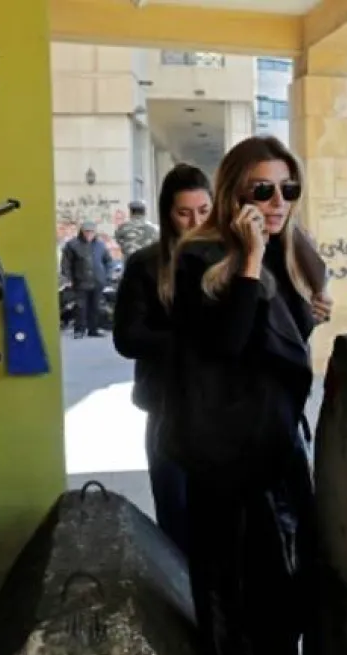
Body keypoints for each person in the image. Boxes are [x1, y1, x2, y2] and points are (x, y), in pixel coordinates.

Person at [163, 135, 332, 655]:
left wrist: (304, 308)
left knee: (280, 597)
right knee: (246, 600)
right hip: (227, 461)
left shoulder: (291, 252)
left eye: (287, 189)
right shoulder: (203, 256)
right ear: (234, 190)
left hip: (276, 452)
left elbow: (278, 354)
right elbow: (228, 347)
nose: (277, 201)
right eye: (262, 188)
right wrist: (253, 257)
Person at [112, 164, 211, 551]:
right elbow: (127, 338)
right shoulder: (145, 264)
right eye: (184, 213)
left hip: (223, 411)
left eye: (203, 211)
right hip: (168, 408)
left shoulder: (233, 259)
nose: (195, 222)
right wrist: (188, 341)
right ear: (167, 214)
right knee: (176, 520)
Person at [60, 220, 114, 338]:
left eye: (92, 231)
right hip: (80, 281)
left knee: (96, 306)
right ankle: (79, 330)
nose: (89, 234)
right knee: (80, 306)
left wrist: (108, 276)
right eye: (87, 231)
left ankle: (93, 329)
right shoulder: (72, 244)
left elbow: (108, 261)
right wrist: (68, 278)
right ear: (82, 232)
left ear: (95, 232)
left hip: (97, 280)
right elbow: (66, 264)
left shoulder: (100, 245)